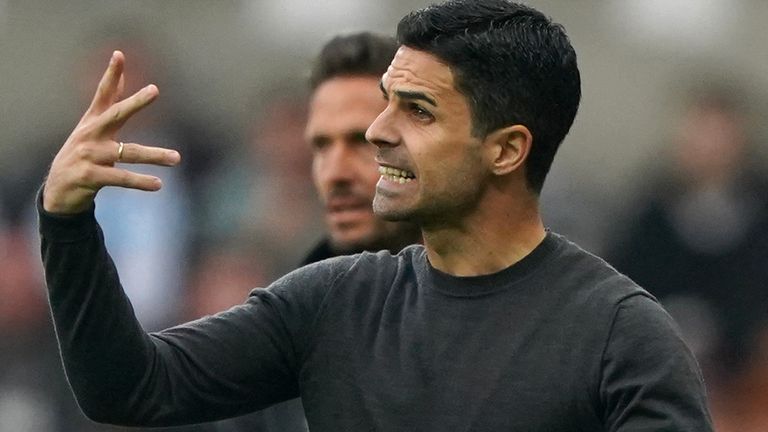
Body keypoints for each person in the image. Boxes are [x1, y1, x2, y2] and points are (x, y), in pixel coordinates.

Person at [38, 1, 713, 430]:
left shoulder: (621, 337)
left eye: (416, 111)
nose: (377, 132)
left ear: (507, 149)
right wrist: (67, 223)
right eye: (386, 101)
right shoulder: (334, 299)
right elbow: (130, 390)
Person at [202, 32, 420, 432]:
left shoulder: (504, 316)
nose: (335, 172)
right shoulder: (294, 315)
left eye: (362, 141)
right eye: (320, 146)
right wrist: (67, 222)